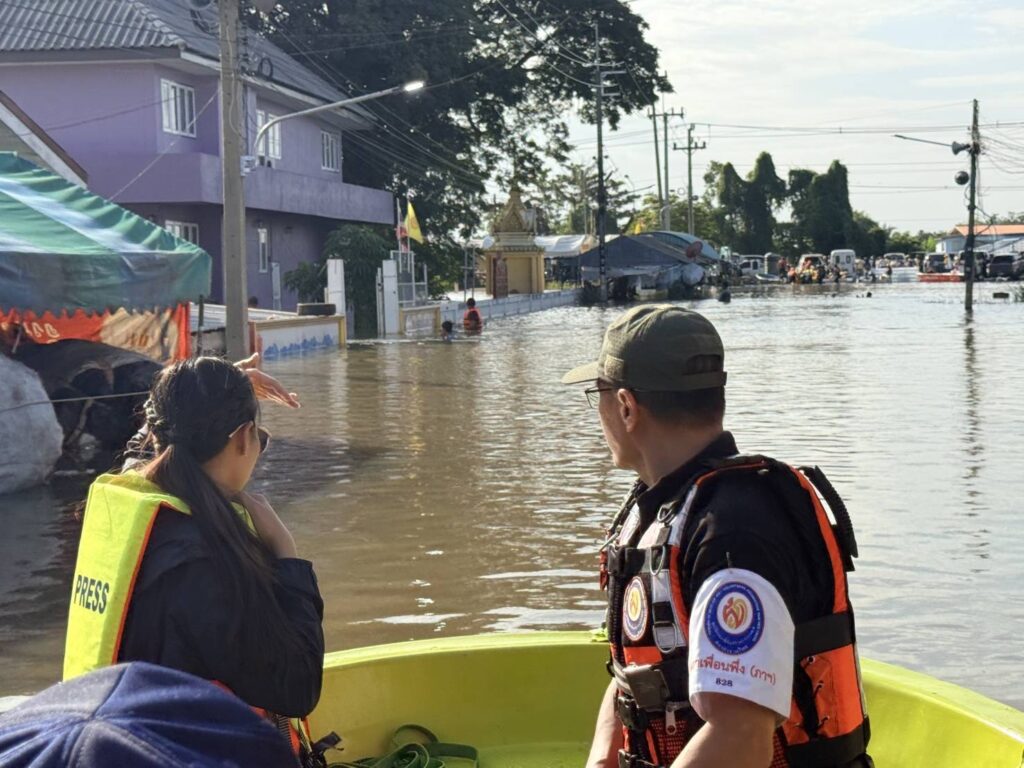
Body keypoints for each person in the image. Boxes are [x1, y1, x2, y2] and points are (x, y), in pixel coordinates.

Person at [563, 305, 871, 768]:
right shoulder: (667, 508)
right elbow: (637, 677)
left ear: (626, 407)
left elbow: (741, 736)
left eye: (598, 393)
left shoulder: (731, 534)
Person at [63, 357, 324, 760]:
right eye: (260, 438)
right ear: (242, 437)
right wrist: (286, 555)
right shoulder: (206, 562)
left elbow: (151, 440)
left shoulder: (131, 509)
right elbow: (298, 687)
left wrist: (203, 393)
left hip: (121, 743)